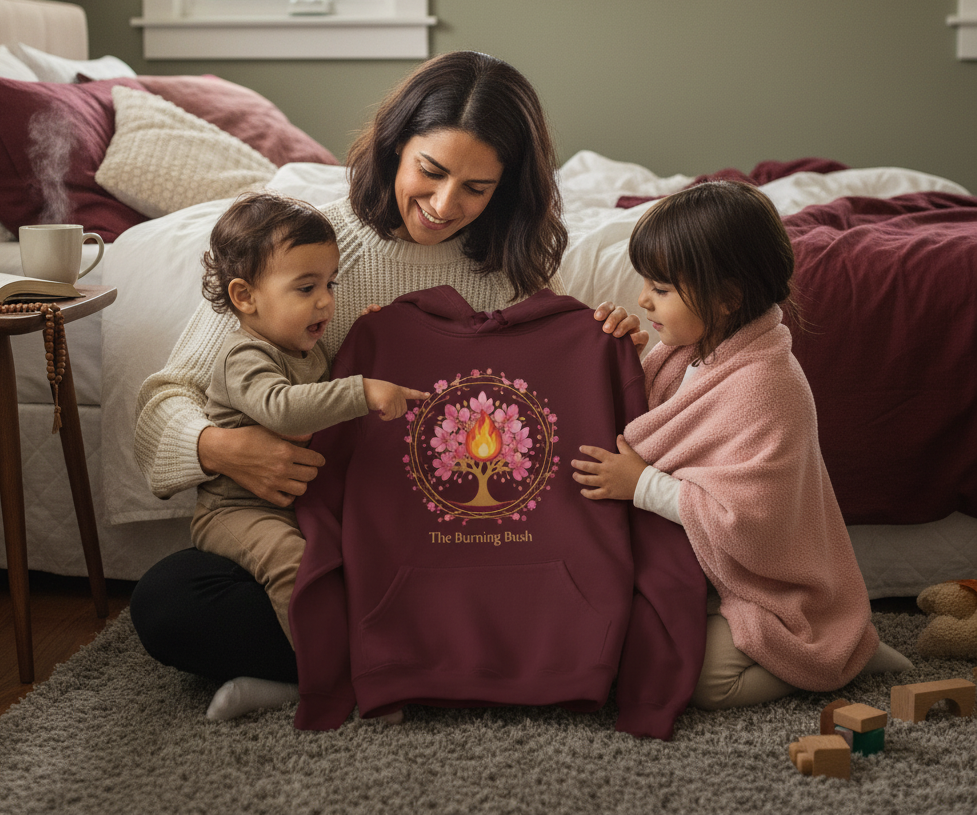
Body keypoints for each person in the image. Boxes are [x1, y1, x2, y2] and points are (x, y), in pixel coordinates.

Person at [129, 50, 646, 720]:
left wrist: (604, 338)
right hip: (324, 532)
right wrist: (217, 449)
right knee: (172, 602)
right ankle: (405, 664)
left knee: (607, 594)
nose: (443, 204)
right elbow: (165, 398)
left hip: (433, 536)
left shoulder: (507, 272)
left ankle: (351, 668)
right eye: (430, 172)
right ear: (394, 146)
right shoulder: (300, 251)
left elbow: (544, 398)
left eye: (476, 188)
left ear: (509, 188)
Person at [570, 180, 912, 710]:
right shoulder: (686, 352)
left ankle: (842, 659)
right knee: (619, 641)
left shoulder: (767, 385)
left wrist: (641, 485)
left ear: (728, 297)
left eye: (661, 289)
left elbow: (751, 516)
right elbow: (655, 423)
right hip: (699, 565)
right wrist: (619, 360)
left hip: (769, 586)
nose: (642, 299)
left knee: (704, 683)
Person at [192, 192, 428, 658]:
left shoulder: (305, 350)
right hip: (239, 510)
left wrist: (370, 339)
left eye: (330, 284)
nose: (325, 301)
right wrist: (361, 389)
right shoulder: (244, 356)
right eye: (306, 288)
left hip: (302, 503)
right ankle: (324, 673)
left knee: (360, 558)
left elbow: (327, 397)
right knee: (295, 567)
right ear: (245, 296)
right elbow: (283, 408)